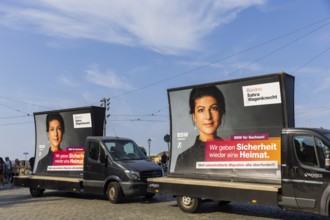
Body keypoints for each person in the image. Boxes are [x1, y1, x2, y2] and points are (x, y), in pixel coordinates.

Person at [174, 85, 225, 173]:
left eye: (213, 108)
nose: (208, 116)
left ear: (221, 112)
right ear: (194, 116)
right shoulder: (184, 158)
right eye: (201, 110)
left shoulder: (233, 152)